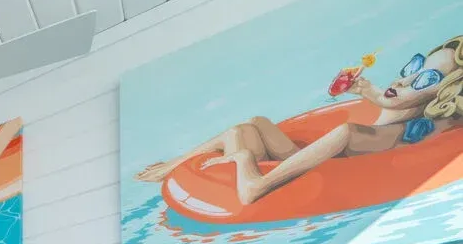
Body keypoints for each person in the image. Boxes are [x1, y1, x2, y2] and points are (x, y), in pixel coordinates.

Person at [135, 36, 463, 205]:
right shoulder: (394, 106)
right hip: (310, 161)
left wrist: (245, 159)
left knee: (345, 132)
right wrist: (364, 89)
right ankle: (174, 165)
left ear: (443, 94)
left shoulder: (392, 134)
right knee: (250, 125)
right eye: (413, 67)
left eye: (426, 78)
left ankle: (252, 179)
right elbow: (386, 97)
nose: (405, 81)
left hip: (322, 174)